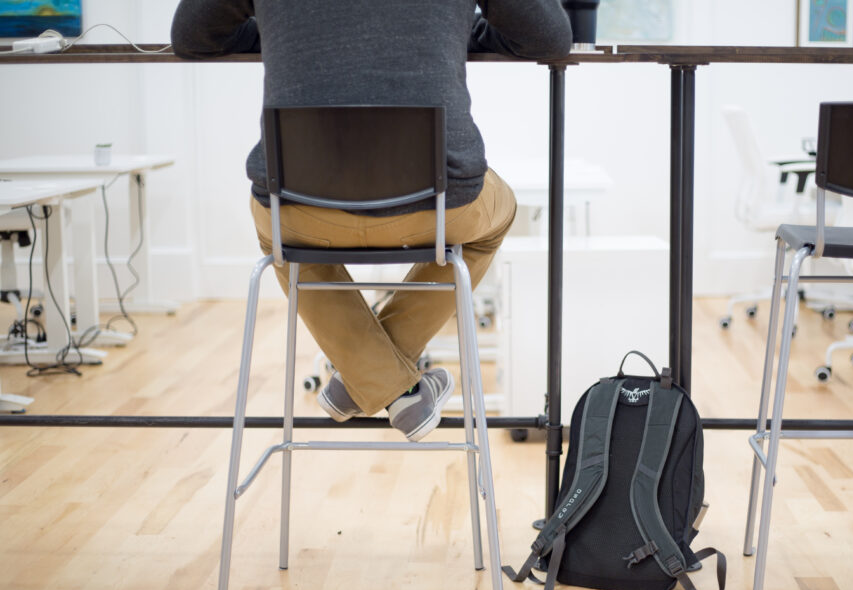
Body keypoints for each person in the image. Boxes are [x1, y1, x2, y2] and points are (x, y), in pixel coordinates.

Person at [171, 1, 572, 441]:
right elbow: (548, 36)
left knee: (280, 238)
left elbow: (193, 35)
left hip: (298, 207)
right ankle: (391, 387)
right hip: (436, 206)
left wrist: (275, 29)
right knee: (498, 213)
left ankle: (369, 376)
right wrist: (462, 30)